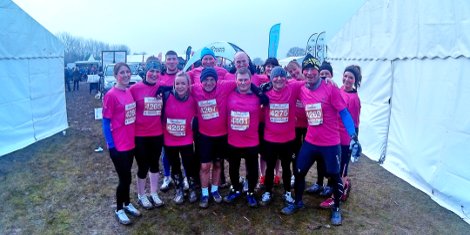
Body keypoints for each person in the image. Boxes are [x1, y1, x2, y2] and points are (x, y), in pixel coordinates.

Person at [281, 54, 362, 226]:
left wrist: (353, 136)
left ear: (318, 71)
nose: (309, 73)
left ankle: (337, 208)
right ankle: (298, 202)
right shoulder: (301, 87)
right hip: (310, 141)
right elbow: (281, 84)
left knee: (334, 176)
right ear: (303, 71)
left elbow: (344, 113)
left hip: (331, 144)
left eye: (313, 70)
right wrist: (265, 86)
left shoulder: (330, 89)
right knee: (299, 171)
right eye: (306, 69)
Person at [191, 67, 237, 208]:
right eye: (206, 80)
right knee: (205, 166)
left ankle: (215, 191)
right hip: (204, 135)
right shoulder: (195, 89)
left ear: (217, 81)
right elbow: (178, 85)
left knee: (218, 164)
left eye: (212, 80)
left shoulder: (224, 86)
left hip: (222, 135)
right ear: (201, 81)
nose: (209, 82)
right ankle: (205, 194)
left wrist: (261, 88)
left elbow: (242, 82)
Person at [102, 62, 141, 225]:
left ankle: (127, 203)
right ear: (115, 75)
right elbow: (105, 122)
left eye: (128, 72)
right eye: (122, 72)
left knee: (128, 177)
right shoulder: (111, 95)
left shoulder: (129, 91)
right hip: (118, 145)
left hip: (130, 142)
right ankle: (119, 209)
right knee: (123, 179)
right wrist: (111, 145)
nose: (125, 75)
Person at [259, 66, 304, 206]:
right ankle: (268, 191)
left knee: (286, 167)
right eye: (275, 76)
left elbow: (308, 80)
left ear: (286, 78)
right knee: (270, 165)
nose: (279, 79)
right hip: (270, 138)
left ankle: (287, 192)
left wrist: (326, 79)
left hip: (288, 139)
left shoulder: (293, 88)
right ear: (271, 79)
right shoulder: (265, 92)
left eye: (281, 76)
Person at [223, 67, 267, 208]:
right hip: (233, 140)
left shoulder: (257, 96)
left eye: (245, 80)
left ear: (250, 80)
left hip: (251, 140)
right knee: (233, 167)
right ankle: (235, 189)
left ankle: (250, 192)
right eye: (240, 80)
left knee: (252, 168)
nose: (243, 83)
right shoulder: (229, 94)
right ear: (235, 80)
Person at [320, 65, 362, 209]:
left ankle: (335, 197)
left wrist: (353, 140)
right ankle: (343, 185)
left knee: (341, 169)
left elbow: (354, 122)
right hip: (334, 136)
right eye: (345, 76)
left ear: (356, 80)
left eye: (351, 77)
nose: (347, 79)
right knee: (332, 167)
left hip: (345, 140)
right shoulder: (339, 90)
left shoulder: (354, 99)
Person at [128, 57, 165, 210]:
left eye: (157, 71)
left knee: (155, 164)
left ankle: (154, 193)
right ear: (146, 71)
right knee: (143, 165)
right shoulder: (135, 89)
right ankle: (141, 194)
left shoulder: (161, 88)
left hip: (157, 133)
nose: (154, 74)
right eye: (151, 71)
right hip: (140, 134)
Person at [161, 71, 198, 204]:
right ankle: (179, 189)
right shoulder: (165, 97)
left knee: (189, 165)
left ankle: (193, 188)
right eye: (177, 83)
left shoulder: (193, 100)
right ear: (174, 85)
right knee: (175, 166)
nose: (180, 86)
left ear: (188, 85)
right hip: (169, 139)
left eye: (183, 83)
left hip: (186, 139)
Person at [159, 50, 190, 192]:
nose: (171, 61)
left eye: (174, 59)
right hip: (165, 121)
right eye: (169, 59)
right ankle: (167, 176)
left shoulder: (185, 75)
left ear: (178, 61)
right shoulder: (160, 77)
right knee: (166, 153)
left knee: (185, 153)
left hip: (183, 122)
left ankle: (185, 177)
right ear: (165, 61)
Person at [305, 61, 335, 196]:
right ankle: (318, 183)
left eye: (326, 74)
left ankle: (330, 185)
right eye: (321, 74)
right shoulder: (308, 87)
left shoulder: (333, 88)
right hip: (315, 134)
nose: (323, 77)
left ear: (331, 76)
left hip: (331, 135)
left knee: (330, 164)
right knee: (319, 161)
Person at [258, 58, 282, 188]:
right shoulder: (259, 79)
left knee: (277, 154)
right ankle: (262, 175)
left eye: (273, 66)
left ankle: (276, 174)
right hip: (262, 121)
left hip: (276, 122)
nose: (270, 68)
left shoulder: (281, 80)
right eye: (268, 66)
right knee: (262, 152)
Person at [285, 60, 305, 187]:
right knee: (295, 153)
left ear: (300, 67)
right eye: (290, 71)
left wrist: (327, 79)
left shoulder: (310, 81)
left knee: (310, 153)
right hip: (296, 126)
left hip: (310, 125)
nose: (293, 73)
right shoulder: (291, 83)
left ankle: (319, 181)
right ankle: (295, 175)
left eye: (295, 69)